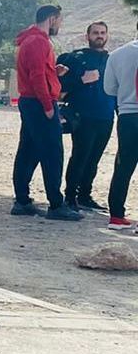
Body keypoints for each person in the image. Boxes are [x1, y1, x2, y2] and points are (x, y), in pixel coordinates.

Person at [11, 4, 78, 220]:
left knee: (29, 151)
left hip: (30, 102)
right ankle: (56, 205)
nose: (59, 24)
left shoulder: (28, 41)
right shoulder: (38, 42)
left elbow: (39, 72)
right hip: (39, 103)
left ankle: (22, 200)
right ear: (51, 19)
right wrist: (49, 107)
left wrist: (54, 73)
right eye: (59, 20)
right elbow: (37, 77)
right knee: (52, 153)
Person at [59, 22, 115, 212]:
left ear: (107, 36)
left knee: (94, 159)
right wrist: (81, 79)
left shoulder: (112, 60)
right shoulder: (75, 58)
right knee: (80, 157)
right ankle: (70, 196)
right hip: (83, 116)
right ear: (87, 36)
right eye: (95, 33)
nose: (99, 36)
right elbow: (60, 87)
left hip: (106, 116)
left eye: (102, 33)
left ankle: (84, 195)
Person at [103, 33, 138, 229]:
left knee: (124, 165)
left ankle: (116, 215)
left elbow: (109, 89)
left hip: (127, 115)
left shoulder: (117, 55)